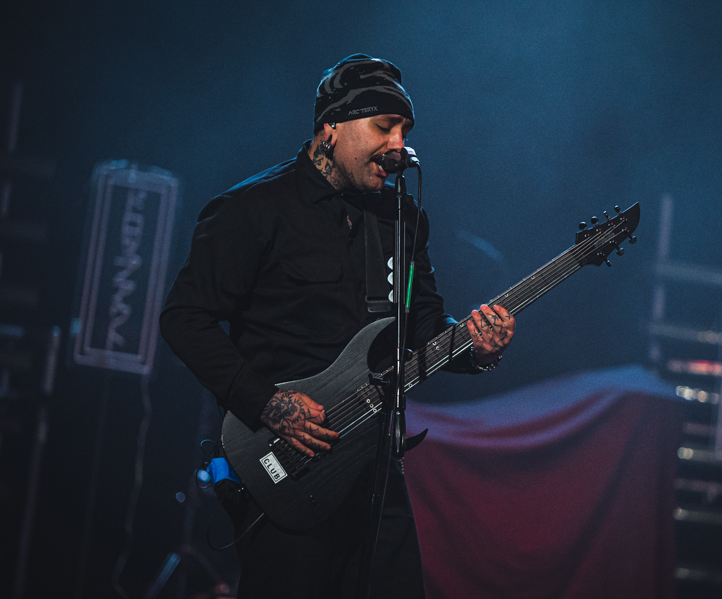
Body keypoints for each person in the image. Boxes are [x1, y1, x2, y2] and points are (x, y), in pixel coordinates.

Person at [159, 54, 515, 598]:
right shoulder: (252, 209)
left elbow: (422, 325)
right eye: (384, 126)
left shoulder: (400, 219)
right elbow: (184, 318)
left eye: (405, 130)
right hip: (284, 461)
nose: (399, 145)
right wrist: (268, 404)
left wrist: (475, 348)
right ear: (331, 128)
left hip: (373, 467)